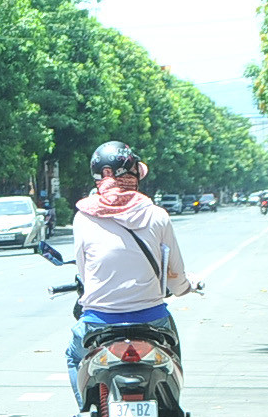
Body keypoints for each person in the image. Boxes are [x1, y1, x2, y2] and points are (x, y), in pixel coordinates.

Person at [65, 142, 200, 400]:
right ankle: (173, 406)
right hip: (152, 320)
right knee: (173, 361)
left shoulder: (83, 217)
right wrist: (187, 287)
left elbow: (84, 272)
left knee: (74, 356)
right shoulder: (157, 215)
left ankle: (87, 411)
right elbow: (175, 276)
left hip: (99, 323)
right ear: (133, 177)